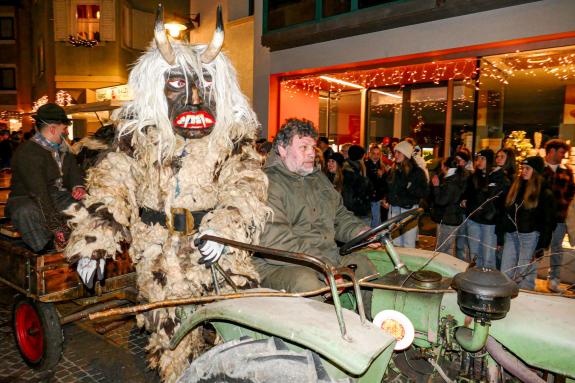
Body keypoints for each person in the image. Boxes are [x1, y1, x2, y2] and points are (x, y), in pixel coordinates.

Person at [63, 10, 270, 381]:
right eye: (177, 85)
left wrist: (225, 228)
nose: (193, 99)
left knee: (240, 326)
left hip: (215, 248)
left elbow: (246, 184)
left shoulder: (230, 139)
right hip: (160, 250)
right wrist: (94, 242)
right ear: (158, 90)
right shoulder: (137, 139)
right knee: (171, 338)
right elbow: (112, 187)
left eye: (205, 85)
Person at [256, 119, 379, 317]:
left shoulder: (317, 178)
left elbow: (339, 215)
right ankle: (320, 340)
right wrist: (327, 267)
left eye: (312, 147)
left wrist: (360, 232)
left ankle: (371, 324)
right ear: (282, 149)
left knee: (364, 265)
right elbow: (276, 241)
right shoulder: (266, 183)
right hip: (278, 264)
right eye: (303, 147)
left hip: (323, 257)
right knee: (307, 283)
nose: (312, 153)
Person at [6, 103, 86, 252]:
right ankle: (47, 249)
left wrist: (77, 186)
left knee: (89, 205)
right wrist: (56, 226)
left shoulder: (63, 148)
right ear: (52, 129)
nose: (67, 132)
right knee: (26, 212)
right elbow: (39, 192)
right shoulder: (27, 152)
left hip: (57, 196)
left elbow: (74, 171)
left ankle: (85, 242)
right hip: (27, 198)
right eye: (64, 128)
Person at [499, 156, 555, 290]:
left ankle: (525, 300)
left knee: (525, 274)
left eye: (527, 168)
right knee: (505, 270)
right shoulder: (516, 187)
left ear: (535, 171)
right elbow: (506, 213)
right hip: (512, 234)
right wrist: (501, 235)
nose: (523, 171)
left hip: (530, 236)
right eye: (522, 168)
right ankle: (505, 298)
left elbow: (548, 221)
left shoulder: (544, 192)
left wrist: (542, 246)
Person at [461, 149, 509, 269]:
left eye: (483, 159)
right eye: (477, 159)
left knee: (488, 256)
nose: (479, 161)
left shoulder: (496, 177)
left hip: (489, 223)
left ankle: (488, 282)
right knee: (474, 254)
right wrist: (465, 201)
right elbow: (467, 194)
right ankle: (475, 279)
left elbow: (496, 200)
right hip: (473, 219)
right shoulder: (474, 177)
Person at [542, 139, 575, 292]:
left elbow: (570, 195)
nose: (564, 156)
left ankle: (554, 279)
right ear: (552, 151)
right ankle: (526, 276)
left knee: (556, 249)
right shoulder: (540, 170)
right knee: (538, 247)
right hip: (540, 218)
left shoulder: (566, 172)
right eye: (562, 152)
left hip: (559, 219)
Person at [385, 140, 428, 248]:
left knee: (408, 242)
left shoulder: (417, 172)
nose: (396, 155)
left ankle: (408, 264)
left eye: (398, 152)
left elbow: (425, 192)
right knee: (395, 242)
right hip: (394, 209)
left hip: (409, 209)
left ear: (406, 154)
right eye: (395, 152)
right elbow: (389, 188)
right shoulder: (394, 170)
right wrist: (387, 199)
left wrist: (410, 187)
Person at [430, 157, 467, 256]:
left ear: (445, 167)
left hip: (448, 218)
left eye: (441, 165)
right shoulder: (455, 178)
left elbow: (441, 201)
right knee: (446, 248)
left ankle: (443, 270)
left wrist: (436, 186)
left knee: (443, 249)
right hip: (451, 217)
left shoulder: (451, 182)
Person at [342, 144, 372, 221]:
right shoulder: (354, 169)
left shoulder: (348, 167)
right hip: (358, 210)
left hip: (352, 209)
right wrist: (364, 171)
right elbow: (364, 188)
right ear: (361, 156)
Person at [365, 143, 386, 227]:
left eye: (378, 154)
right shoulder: (365, 165)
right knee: (374, 220)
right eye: (374, 153)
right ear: (370, 154)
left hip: (378, 197)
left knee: (377, 219)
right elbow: (368, 181)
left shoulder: (381, 165)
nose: (376, 156)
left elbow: (384, 183)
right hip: (370, 197)